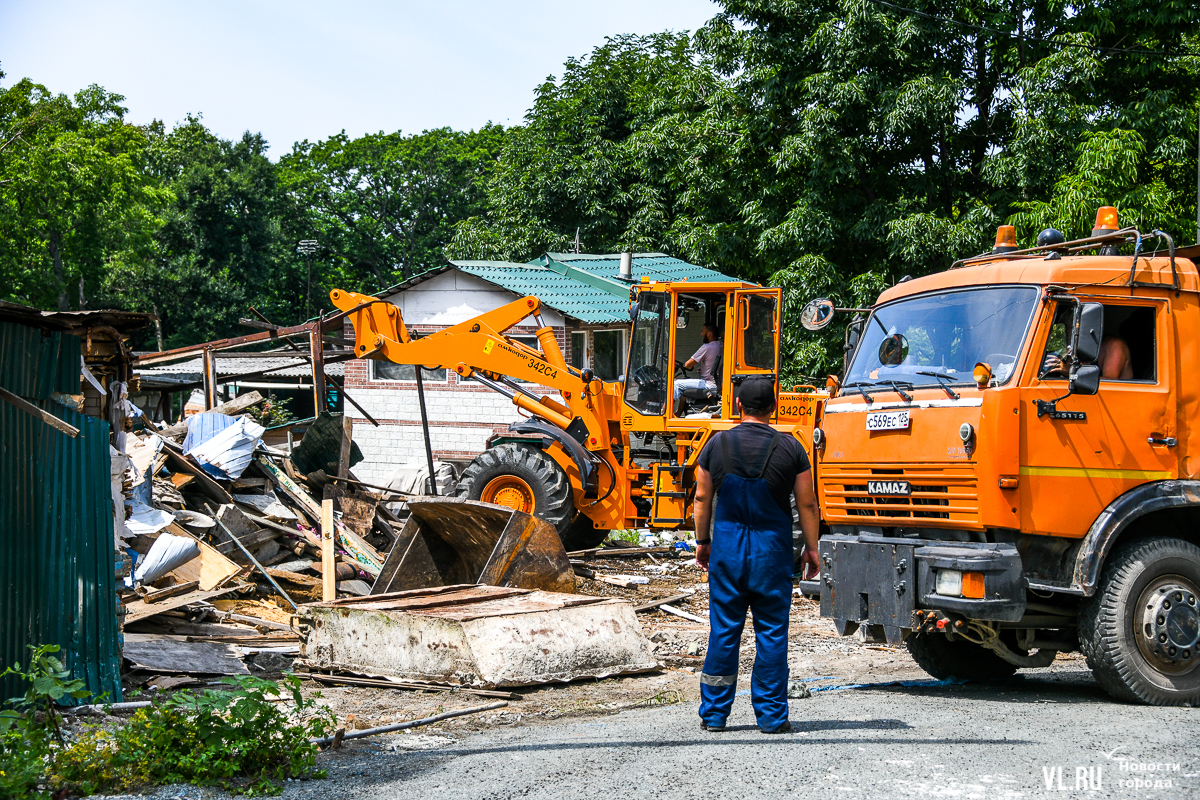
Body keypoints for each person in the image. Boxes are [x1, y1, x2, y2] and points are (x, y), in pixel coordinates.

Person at [692, 377, 821, 734]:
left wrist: (703, 540)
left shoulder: (715, 445)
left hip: (728, 551)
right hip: (772, 554)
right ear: (774, 409)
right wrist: (811, 549)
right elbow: (808, 503)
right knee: (772, 634)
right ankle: (772, 717)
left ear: (738, 407)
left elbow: (702, 499)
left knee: (724, 632)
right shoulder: (792, 448)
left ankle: (715, 716)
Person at [674, 324, 722, 399]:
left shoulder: (706, 347)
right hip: (719, 384)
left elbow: (688, 365)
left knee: (676, 384)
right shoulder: (723, 346)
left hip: (708, 384)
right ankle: (679, 411)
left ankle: (664, 409)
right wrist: (704, 369)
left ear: (709, 334)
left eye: (703, 332)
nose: (701, 334)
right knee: (684, 387)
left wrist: (684, 365)